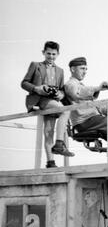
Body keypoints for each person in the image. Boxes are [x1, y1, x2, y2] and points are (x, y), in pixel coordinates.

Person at [21, 41, 74, 169]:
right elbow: (24, 83)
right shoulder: (35, 65)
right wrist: (37, 88)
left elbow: (61, 89)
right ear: (43, 52)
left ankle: (50, 163)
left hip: (53, 101)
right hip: (40, 99)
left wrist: (60, 94)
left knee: (49, 131)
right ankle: (59, 144)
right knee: (65, 111)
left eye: (54, 54)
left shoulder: (60, 71)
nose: (51, 56)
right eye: (48, 53)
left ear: (58, 54)